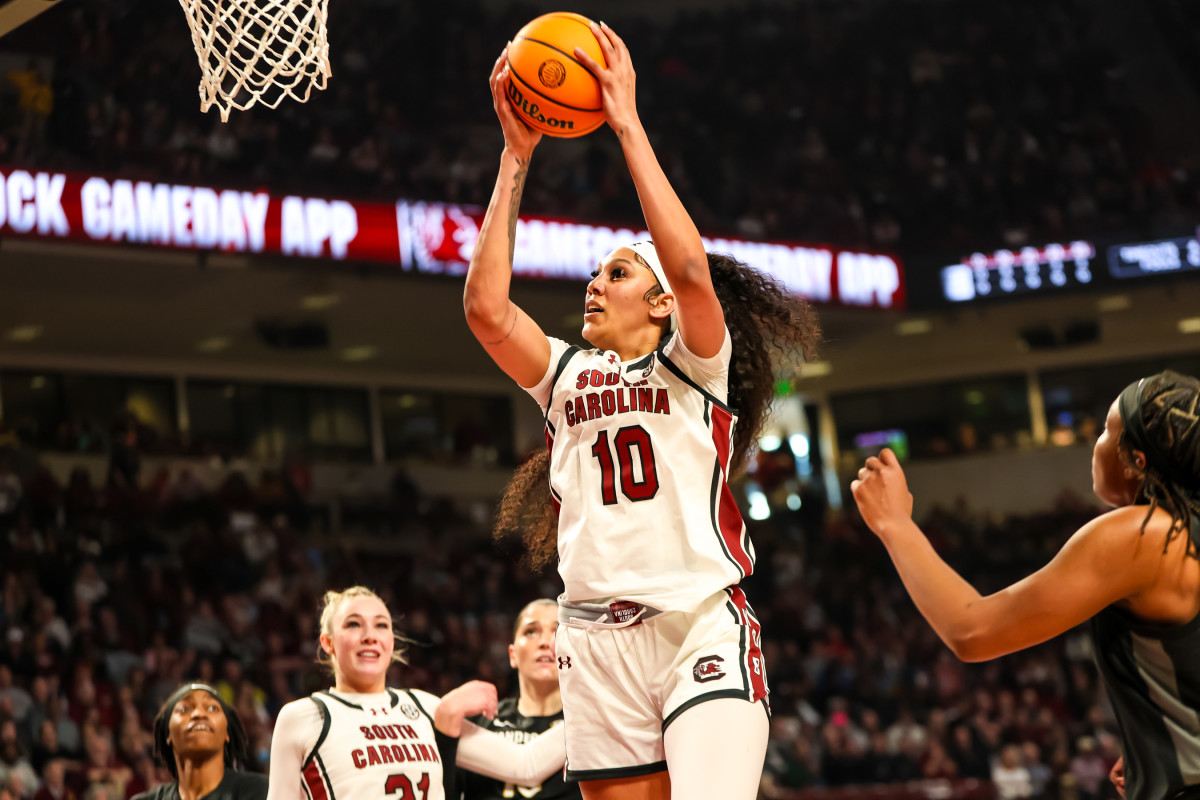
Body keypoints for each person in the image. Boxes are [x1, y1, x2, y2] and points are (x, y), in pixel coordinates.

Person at [463, 22, 819, 800]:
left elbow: (691, 266)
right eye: (594, 274)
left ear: (660, 302)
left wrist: (625, 124)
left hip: (696, 624)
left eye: (617, 272)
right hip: (591, 639)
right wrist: (514, 159)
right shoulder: (566, 375)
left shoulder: (696, 363)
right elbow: (488, 312)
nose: (593, 285)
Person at [850, 371, 1200, 800]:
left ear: (1136, 461)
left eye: (1106, 431)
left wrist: (895, 525)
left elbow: (972, 631)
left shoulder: (1140, 535)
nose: (1095, 444)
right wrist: (1160, 743)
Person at [265, 586, 565, 800]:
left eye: (381, 626)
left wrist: (601, 703)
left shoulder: (425, 706)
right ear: (328, 642)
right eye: (353, 624)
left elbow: (526, 765)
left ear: (391, 642)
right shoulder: (302, 716)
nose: (370, 635)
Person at [459, 599, 580, 800]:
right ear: (512, 655)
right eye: (531, 631)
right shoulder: (479, 722)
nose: (545, 642)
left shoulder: (592, 725)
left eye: (557, 630)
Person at [131, 683, 266, 800]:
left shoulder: (258, 790)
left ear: (226, 733)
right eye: (185, 709)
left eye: (213, 708)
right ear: (168, 734)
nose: (199, 714)